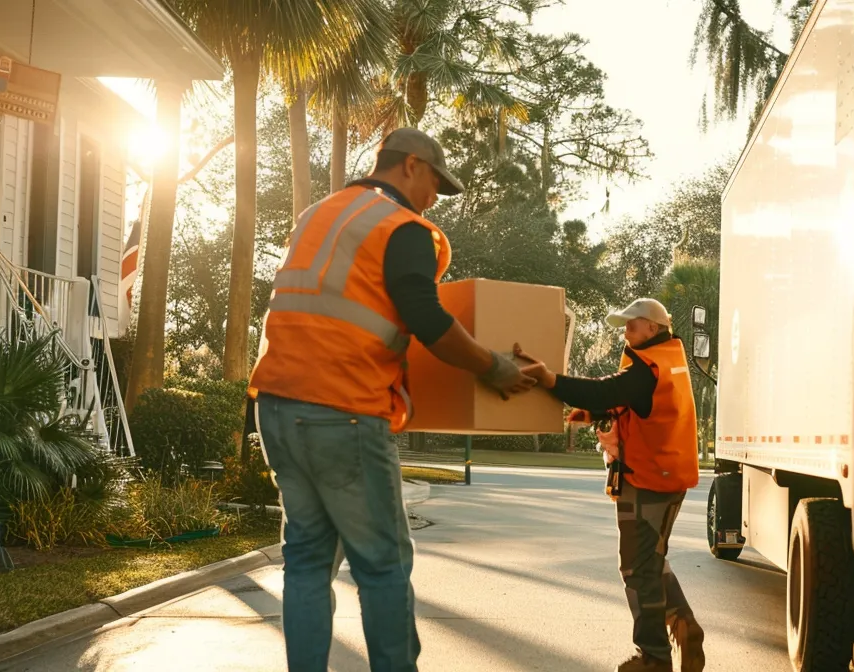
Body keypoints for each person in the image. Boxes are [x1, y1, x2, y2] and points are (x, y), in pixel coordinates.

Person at [248, 128, 535, 672]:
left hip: (278, 405)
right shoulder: (400, 227)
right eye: (434, 183)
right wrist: (494, 366)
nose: (434, 199)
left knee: (307, 561)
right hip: (343, 409)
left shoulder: (320, 215)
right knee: (382, 564)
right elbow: (426, 318)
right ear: (409, 166)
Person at [515, 298, 705, 672]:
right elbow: (630, 404)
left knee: (638, 569)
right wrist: (598, 412)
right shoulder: (666, 359)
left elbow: (605, 391)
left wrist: (549, 379)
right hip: (660, 475)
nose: (625, 331)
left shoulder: (648, 368)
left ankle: (654, 658)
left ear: (653, 328)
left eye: (631, 325)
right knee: (649, 562)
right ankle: (683, 625)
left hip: (651, 478)